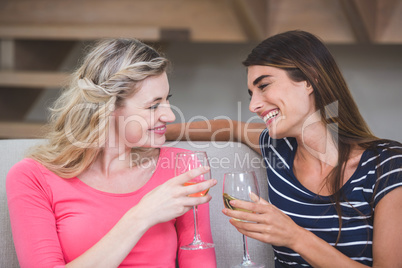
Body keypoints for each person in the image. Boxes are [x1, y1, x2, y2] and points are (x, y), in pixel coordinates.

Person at [166, 30, 402, 267]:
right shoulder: (277, 149)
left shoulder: (387, 165)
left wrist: (294, 236)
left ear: (310, 80)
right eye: (251, 93)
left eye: (264, 85)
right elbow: (228, 127)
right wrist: (156, 133)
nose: (253, 105)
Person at [6, 38, 217, 268]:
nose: (170, 116)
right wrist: (142, 216)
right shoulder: (32, 177)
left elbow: (199, 260)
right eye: (153, 105)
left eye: (168, 100)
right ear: (108, 108)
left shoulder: (182, 168)